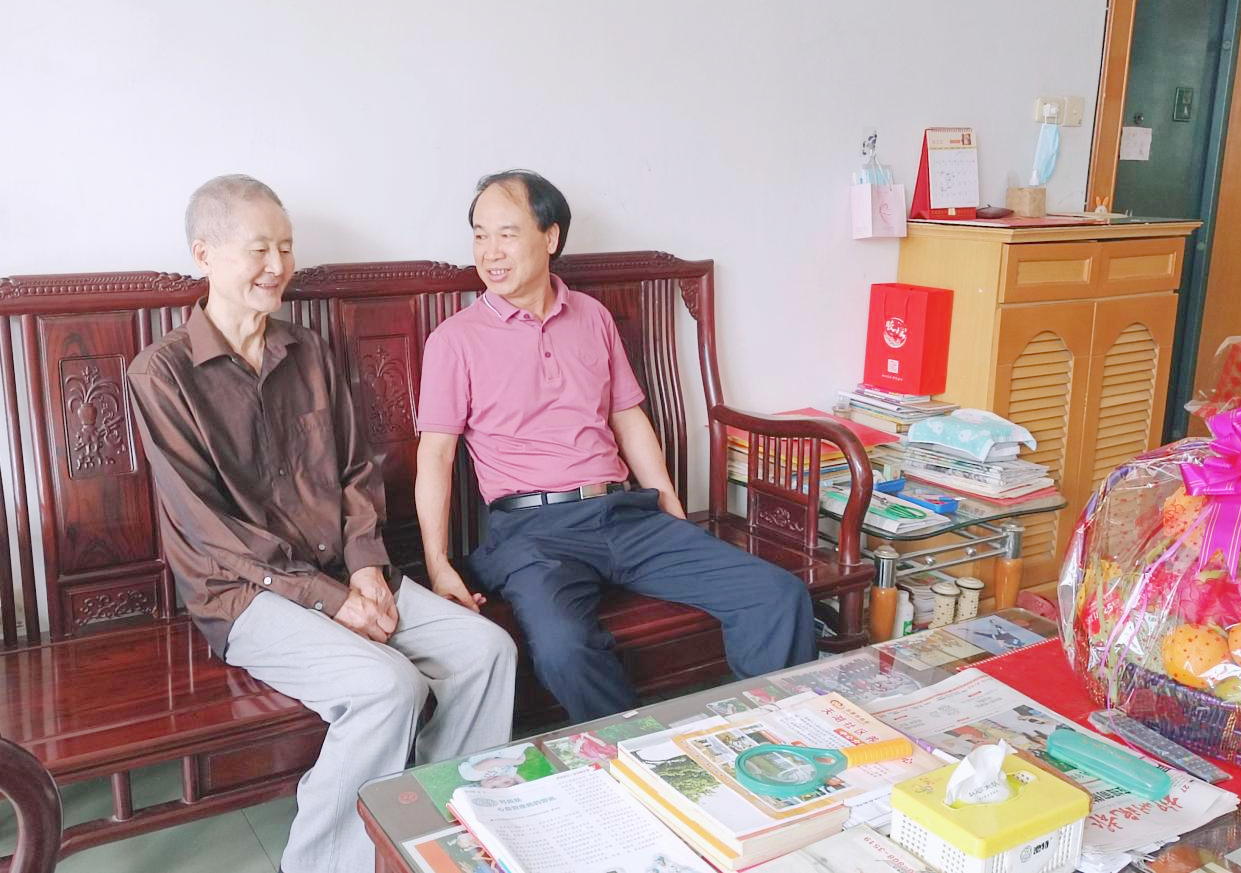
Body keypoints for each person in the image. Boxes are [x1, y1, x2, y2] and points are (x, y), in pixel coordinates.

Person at [128, 174, 517, 873]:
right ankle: (321, 861)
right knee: (388, 686)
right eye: (259, 249)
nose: (277, 265)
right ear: (204, 253)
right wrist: (332, 599)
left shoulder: (307, 350)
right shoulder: (161, 374)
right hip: (244, 596)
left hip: (345, 571)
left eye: (285, 247)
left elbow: (357, 471)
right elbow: (211, 529)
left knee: (487, 650)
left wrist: (365, 567)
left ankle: (431, 829)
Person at [415, 169, 815, 722]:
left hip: (624, 515)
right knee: (563, 647)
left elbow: (628, 418)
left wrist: (670, 508)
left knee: (776, 595)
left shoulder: (591, 316)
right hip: (533, 533)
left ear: (550, 237)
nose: (490, 252)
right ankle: (637, 752)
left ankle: (777, 737)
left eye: (506, 234)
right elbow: (435, 456)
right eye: (480, 235)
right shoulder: (455, 340)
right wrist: (438, 564)